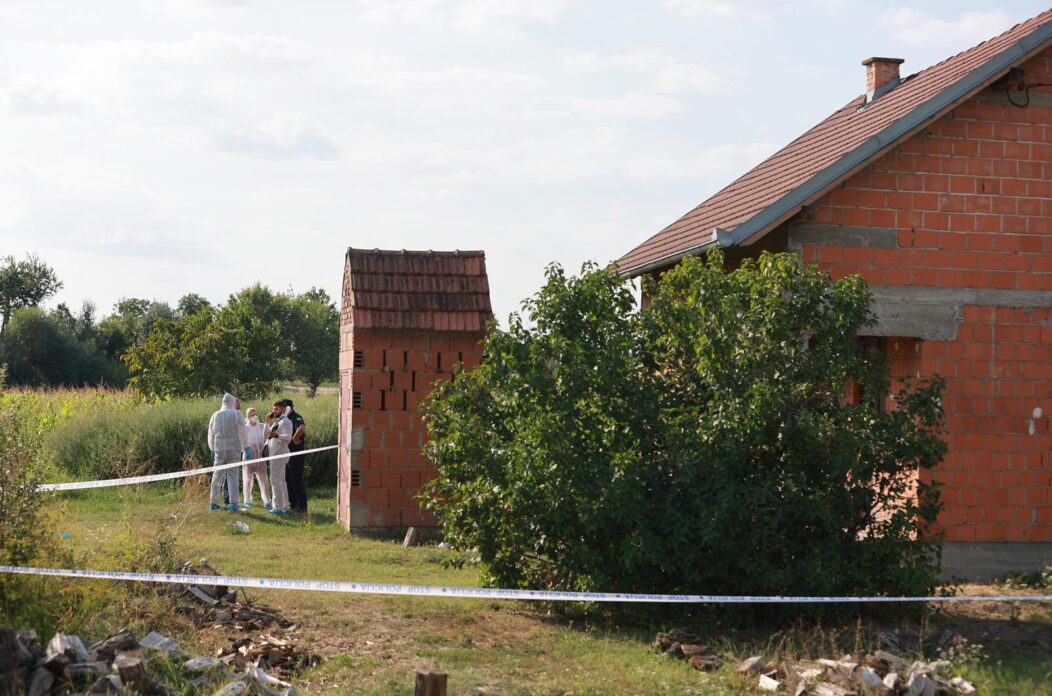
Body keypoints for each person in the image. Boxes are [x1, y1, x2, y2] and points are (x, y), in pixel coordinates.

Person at [207, 392, 247, 512]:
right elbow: (243, 432)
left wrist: (212, 449)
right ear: (233, 402)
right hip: (233, 448)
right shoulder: (237, 414)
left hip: (219, 449)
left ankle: (213, 503)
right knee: (233, 475)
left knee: (217, 475)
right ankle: (233, 503)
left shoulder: (215, 415)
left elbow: (210, 434)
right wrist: (246, 447)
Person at [265, 400, 293, 517]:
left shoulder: (285, 421)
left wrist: (276, 435)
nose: (274, 411)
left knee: (276, 481)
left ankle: (277, 508)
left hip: (279, 454)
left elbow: (288, 438)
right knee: (281, 481)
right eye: (273, 409)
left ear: (282, 409)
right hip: (275, 454)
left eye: (276, 409)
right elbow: (266, 435)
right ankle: (284, 506)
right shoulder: (277, 422)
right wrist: (267, 422)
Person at [281, 398, 308, 514]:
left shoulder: (296, 417)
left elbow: (301, 428)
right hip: (287, 455)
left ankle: (302, 506)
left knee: (296, 480)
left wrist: (294, 438)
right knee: (288, 480)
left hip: (295, 455)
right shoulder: (284, 418)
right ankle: (293, 504)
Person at [241, 406, 271, 510]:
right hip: (249, 457)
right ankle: (247, 501)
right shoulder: (245, 428)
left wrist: (268, 422)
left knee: (264, 480)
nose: (254, 416)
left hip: (261, 458)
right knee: (247, 480)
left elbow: (268, 434)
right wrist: (245, 449)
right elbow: (242, 440)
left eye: (255, 414)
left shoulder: (261, 426)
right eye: (252, 415)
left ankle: (267, 501)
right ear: (248, 417)